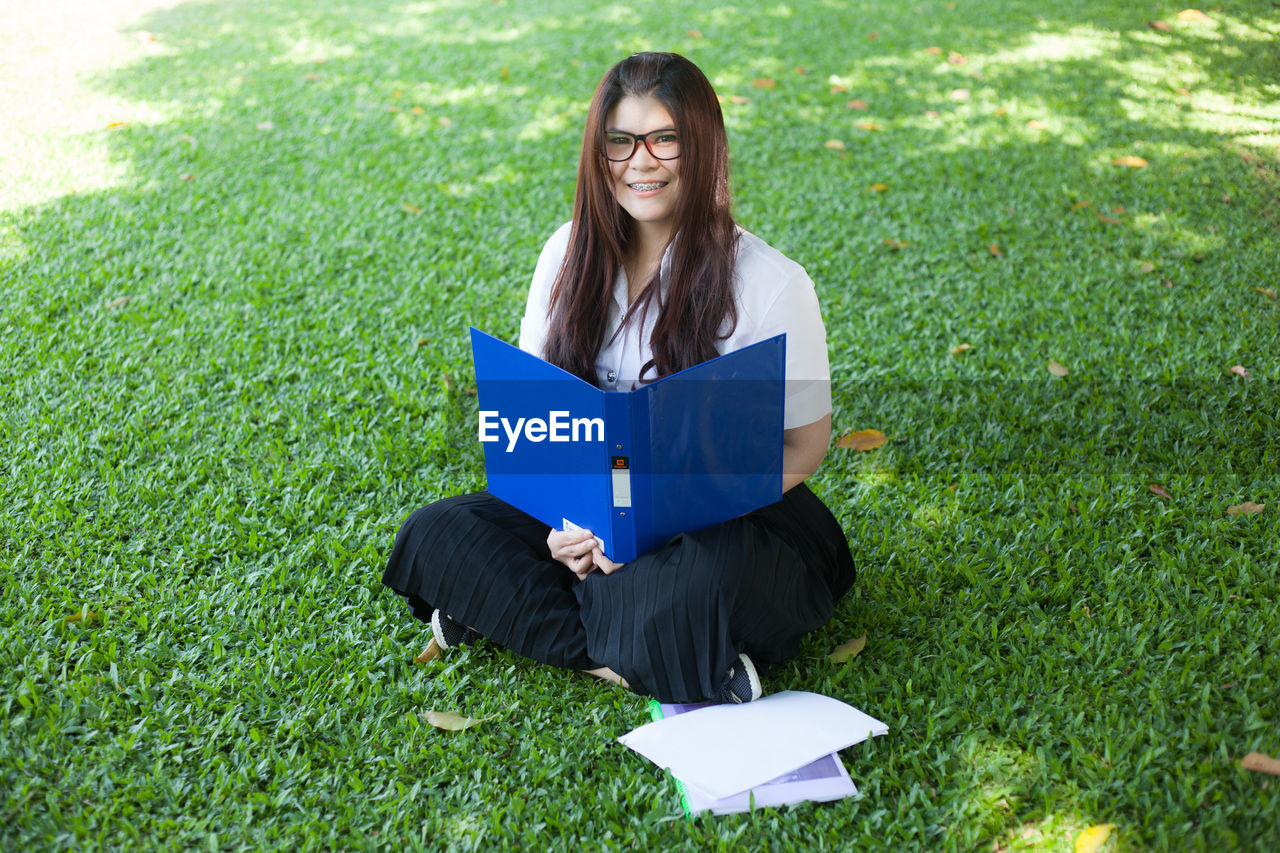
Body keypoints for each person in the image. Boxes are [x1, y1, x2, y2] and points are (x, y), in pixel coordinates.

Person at [383, 52, 855, 704]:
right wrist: (562, 524)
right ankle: (659, 657)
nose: (642, 161)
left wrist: (664, 523)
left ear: (705, 148)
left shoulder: (772, 285)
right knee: (438, 532)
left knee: (695, 585)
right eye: (621, 141)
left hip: (723, 517)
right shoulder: (566, 253)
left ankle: (512, 619)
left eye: (666, 140)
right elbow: (535, 420)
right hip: (591, 503)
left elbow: (804, 447)